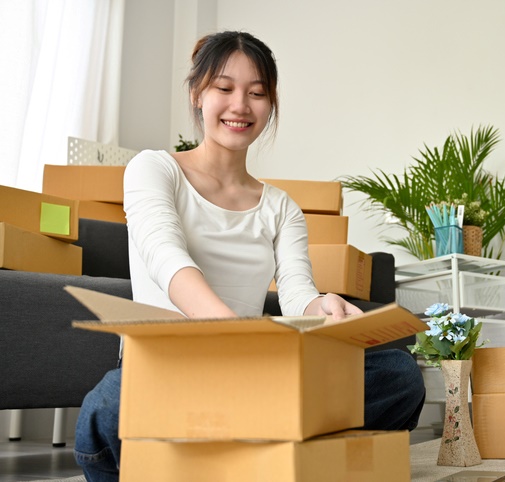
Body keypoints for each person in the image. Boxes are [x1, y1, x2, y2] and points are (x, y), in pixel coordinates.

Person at [73, 30, 425, 481]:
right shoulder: (154, 169)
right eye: (224, 88)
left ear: (270, 105)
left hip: (256, 378)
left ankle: (241, 450)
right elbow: (165, 257)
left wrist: (325, 306)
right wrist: (227, 331)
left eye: (257, 93)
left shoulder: (280, 207)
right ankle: (264, 445)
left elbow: (298, 292)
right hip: (170, 374)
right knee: (107, 406)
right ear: (198, 95)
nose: (240, 105)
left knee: (399, 373)